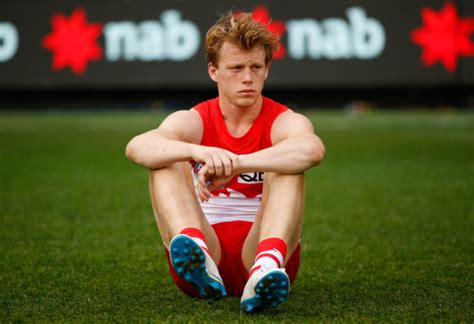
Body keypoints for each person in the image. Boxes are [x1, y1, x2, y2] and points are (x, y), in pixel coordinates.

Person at [125, 11, 325, 314]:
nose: (247, 77)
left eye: (256, 67)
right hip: (208, 248)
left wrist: (236, 163)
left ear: (267, 70)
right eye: (235, 68)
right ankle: (197, 255)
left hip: (262, 254)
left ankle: (265, 267)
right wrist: (197, 151)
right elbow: (137, 147)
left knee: (288, 163)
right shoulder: (195, 119)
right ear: (213, 71)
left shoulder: (282, 120)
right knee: (166, 158)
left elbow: (312, 150)